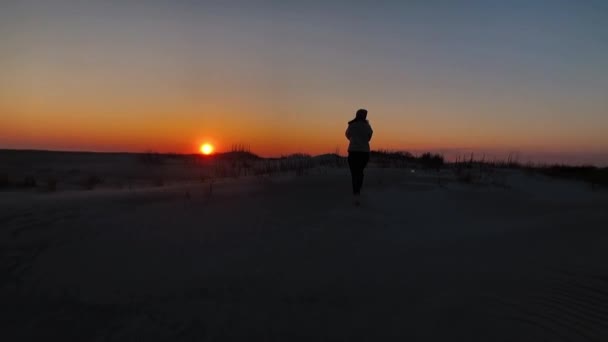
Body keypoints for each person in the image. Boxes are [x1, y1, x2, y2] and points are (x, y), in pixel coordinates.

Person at [345, 108, 373, 205]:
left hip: (353, 152)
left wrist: (354, 140)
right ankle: (358, 190)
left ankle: (356, 192)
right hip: (364, 152)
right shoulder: (367, 126)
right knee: (360, 171)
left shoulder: (352, 125)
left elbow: (347, 135)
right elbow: (369, 137)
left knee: (354, 173)